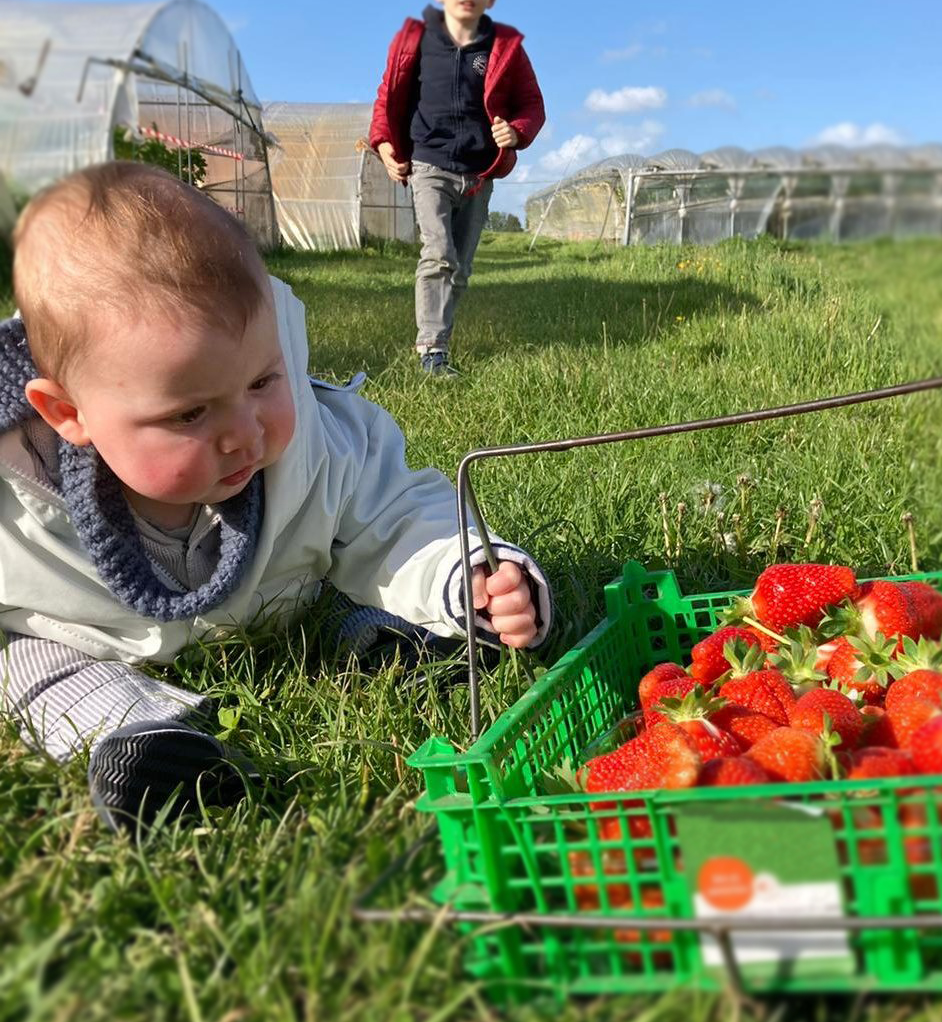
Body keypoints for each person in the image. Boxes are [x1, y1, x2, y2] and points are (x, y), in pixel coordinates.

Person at [0, 161, 551, 833]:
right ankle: (148, 742)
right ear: (69, 414)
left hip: (292, 600)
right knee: (27, 659)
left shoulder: (318, 443)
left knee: (364, 576)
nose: (245, 434)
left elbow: (397, 511)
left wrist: (466, 571)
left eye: (263, 381)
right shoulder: (19, 508)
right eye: (189, 415)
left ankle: (393, 639)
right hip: (93, 642)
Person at [369, 0, 545, 377]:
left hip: (478, 172)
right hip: (429, 162)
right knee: (439, 253)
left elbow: (531, 104)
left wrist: (517, 132)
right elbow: (386, 97)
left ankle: (440, 338)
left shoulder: (504, 48)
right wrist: (385, 144)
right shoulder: (415, 40)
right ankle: (432, 348)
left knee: (461, 268)